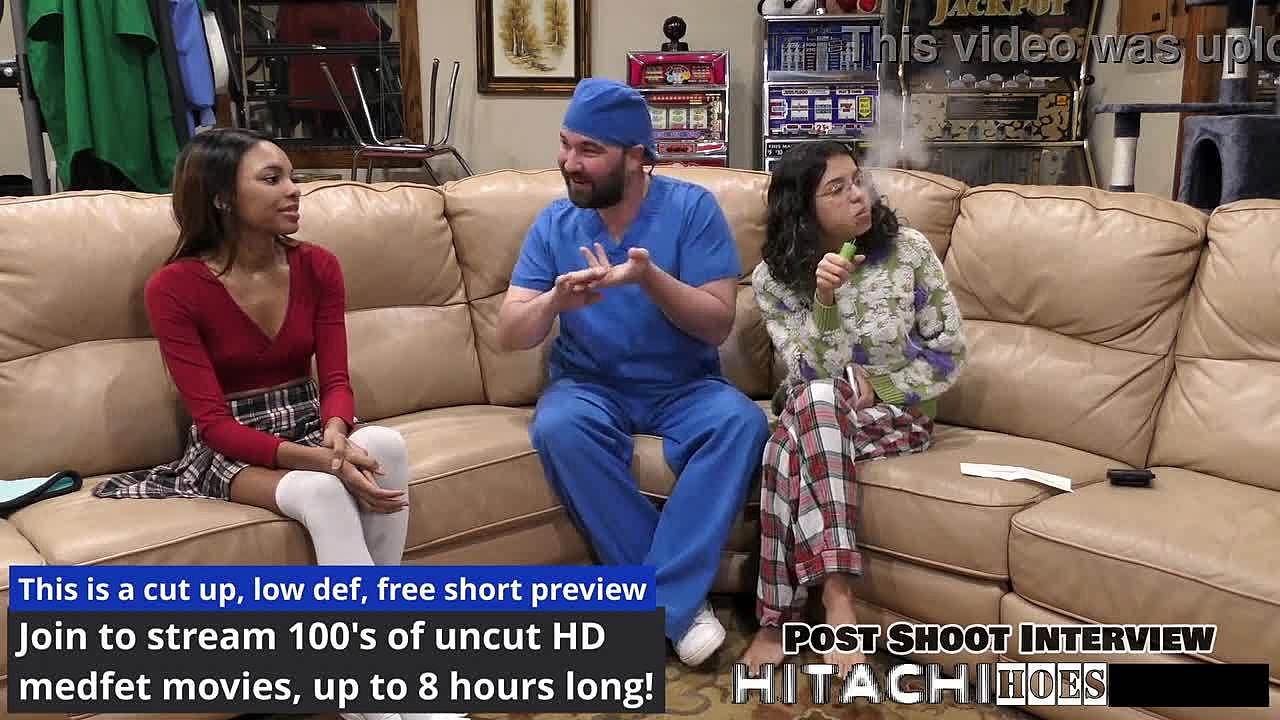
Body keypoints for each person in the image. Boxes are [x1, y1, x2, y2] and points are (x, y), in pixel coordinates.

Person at [92, 128, 465, 720]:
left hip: (308, 417)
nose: (295, 190)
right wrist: (326, 461)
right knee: (322, 491)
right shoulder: (174, 287)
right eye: (273, 179)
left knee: (386, 445)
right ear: (221, 196)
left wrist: (336, 433)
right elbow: (213, 423)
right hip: (233, 442)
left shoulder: (318, 266)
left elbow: (335, 378)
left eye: (293, 176)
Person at [497, 78, 771, 667]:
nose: (570, 162)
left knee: (742, 423)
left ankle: (655, 605)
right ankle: (678, 607)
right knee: (559, 426)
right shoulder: (554, 223)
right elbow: (511, 331)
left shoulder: (692, 210)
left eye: (589, 150)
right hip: (589, 386)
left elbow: (716, 324)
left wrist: (650, 278)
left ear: (637, 157)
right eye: (566, 144)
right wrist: (553, 302)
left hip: (684, 386)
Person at [741, 140, 967, 674]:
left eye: (858, 180)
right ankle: (837, 598)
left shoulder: (908, 252)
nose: (859, 196)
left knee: (783, 449)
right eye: (836, 189)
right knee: (816, 401)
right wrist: (824, 301)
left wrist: (882, 387)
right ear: (803, 208)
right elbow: (810, 373)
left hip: (898, 417)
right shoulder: (774, 279)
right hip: (820, 410)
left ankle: (786, 618)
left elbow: (948, 354)